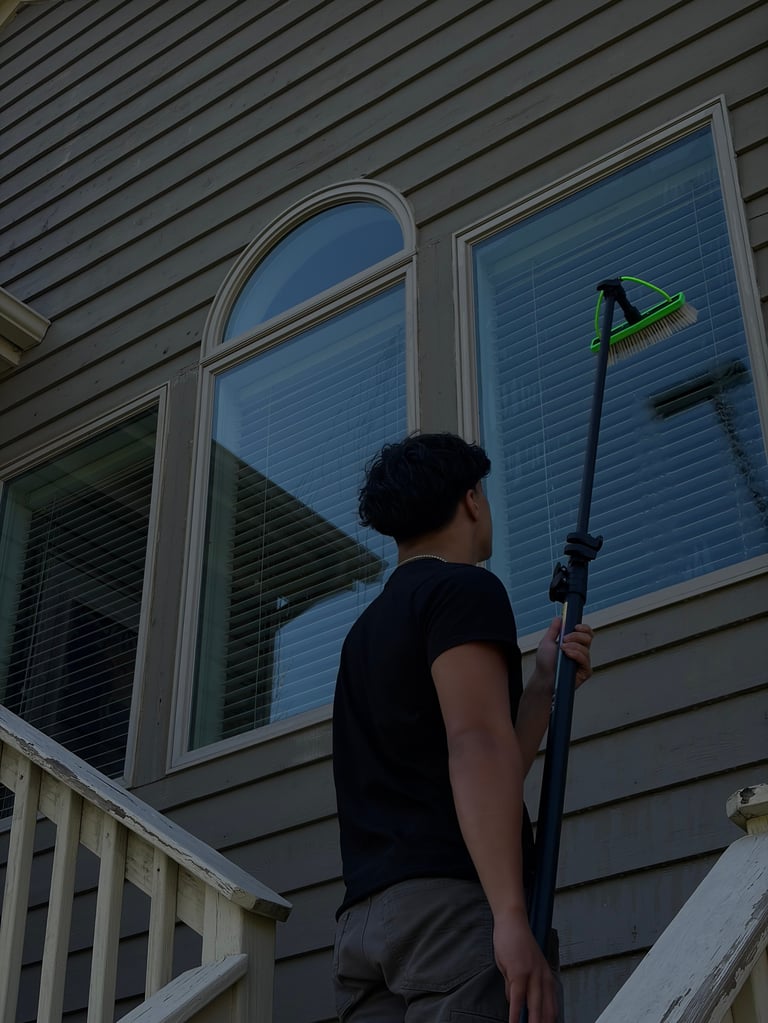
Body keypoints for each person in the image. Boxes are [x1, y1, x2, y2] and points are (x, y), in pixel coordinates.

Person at [332, 433, 594, 1023]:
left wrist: (540, 688)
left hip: (363, 932)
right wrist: (509, 917)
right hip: (451, 918)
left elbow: (478, 764)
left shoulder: (362, 634)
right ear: (472, 498)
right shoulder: (464, 589)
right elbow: (475, 747)